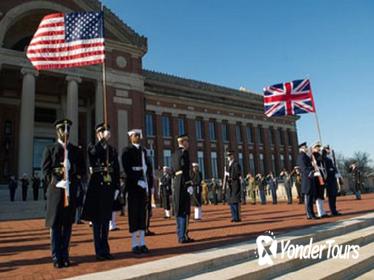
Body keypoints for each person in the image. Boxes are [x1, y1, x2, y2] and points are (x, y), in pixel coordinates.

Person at [41, 119, 84, 268]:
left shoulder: (74, 150)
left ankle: (65, 255)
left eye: (68, 130)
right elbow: (45, 171)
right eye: (63, 130)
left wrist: (75, 180)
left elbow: (81, 170)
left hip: (69, 192)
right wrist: (55, 182)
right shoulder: (50, 149)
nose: (66, 133)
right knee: (55, 226)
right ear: (57, 132)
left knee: (67, 226)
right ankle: (56, 257)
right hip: (56, 193)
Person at [81, 123, 120, 261]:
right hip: (97, 188)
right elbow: (93, 155)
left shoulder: (112, 150)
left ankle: (106, 249)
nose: (107, 134)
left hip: (108, 188)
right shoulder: (93, 146)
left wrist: (117, 188)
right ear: (98, 133)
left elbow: (116, 170)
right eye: (104, 132)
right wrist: (102, 141)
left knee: (105, 221)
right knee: (97, 222)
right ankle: (99, 251)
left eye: (107, 131)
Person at [122, 129, 152, 253]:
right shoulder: (127, 151)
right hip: (134, 186)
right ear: (130, 137)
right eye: (135, 135)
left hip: (143, 185)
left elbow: (148, 168)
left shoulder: (144, 151)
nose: (138, 137)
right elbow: (126, 169)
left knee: (142, 214)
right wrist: (136, 181)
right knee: (134, 214)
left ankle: (142, 242)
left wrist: (149, 184)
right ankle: (134, 243)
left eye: (139, 135)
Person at [172, 134, 194, 243]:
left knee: (179, 209)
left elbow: (174, 170)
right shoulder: (184, 153)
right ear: (183, 142)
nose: (188, 144)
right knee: (185, 210)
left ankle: (180, 234)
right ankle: (183, 235)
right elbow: (185, 169)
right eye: (187, 141)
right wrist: (189, 184)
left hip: (177, 182)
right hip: (184, 182)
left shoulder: (175, 153)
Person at [297, 142, 317, 220]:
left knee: (310, 197)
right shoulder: (301, 156)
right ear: (301, 148)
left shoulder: (306, 156)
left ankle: (312, 213)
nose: (306, 148)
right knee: (308, 198)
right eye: (305, 147)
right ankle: (309, 214)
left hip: (310, 177)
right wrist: (311, 170)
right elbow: (303, 168)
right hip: (306, 178)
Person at [322, 145, 342, 216]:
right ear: (325, 150)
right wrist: (333, 171)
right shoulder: (324, 158)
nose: (329, 150)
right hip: (329, 179)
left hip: (333, 178)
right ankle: (333, 211)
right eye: (328, 149)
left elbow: (333, 167)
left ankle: (334, 210)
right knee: (331, 196)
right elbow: (327, 169)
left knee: (334, 195)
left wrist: (337, 173)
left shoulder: (329, 158)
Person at [311, 142, 328, 218]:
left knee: (321, 194)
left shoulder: (318, 154)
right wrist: (323, 152)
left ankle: (322, 211)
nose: (318, 148)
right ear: (314, 148)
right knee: (318, 194)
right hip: (317, 176)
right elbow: (319, 160)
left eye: (319, 147)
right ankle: (320, 212)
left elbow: (323, 161)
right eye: (317, 147)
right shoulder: (313, 155)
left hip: (321, 175)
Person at [226, 151, 242, 222]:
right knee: (231, 201)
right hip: (230, 185)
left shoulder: (236, 164)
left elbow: (238, 174)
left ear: (232, 156)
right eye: (228, 156)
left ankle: (237, 217)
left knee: (235, 201)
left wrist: (230, 176)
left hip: (235, 184)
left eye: (229, 155)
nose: (228, 157)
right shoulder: (228, 165)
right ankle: (233, 216)